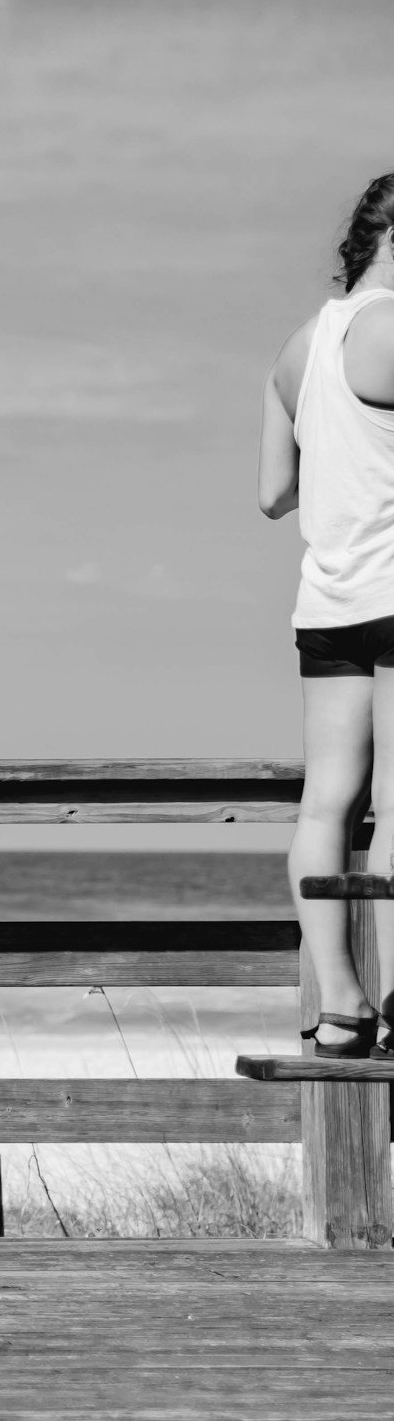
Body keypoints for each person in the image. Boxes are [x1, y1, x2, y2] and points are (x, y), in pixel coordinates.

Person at [260, 174, 394, 1058]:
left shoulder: (297, 348)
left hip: (330, 601)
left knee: (327, 804)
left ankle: (343, 1006)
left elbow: (274, 493)